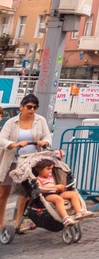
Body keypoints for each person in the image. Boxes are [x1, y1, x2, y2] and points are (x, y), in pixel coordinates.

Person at [0, 94, 52, 230]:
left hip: (31, 162)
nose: (32, 110)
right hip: (12, 160)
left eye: (35, 107)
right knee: (3, 193)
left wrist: (45, 141)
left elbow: (47, 135)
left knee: (26, 193)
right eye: (29, 107)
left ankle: (18, 222)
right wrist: (14, 144)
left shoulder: (40, 121)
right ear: (21, 107)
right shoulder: (11, 122)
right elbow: (2, 139)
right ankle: (0, 223)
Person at [33, 158, 90, 224]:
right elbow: (41, 190)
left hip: (56, 192)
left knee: (73, 194)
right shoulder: (38, 179)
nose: (50, 171)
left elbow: (54, 185)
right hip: (47, 195)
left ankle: (79, 212)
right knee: (58, 199)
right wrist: (55, 187)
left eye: (51, 169)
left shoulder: (50, 177)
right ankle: (65, 218)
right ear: (40, 170)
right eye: (48, 169)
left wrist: (60, 187)